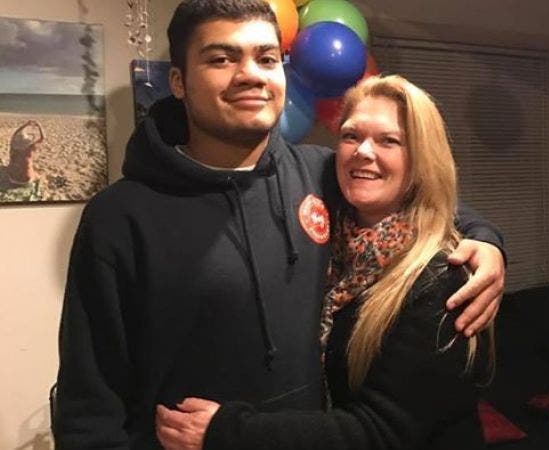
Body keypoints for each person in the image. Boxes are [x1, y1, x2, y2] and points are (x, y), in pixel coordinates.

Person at [54, 1, 504, 449]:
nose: (250, 74)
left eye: (267, 58)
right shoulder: (120, 216)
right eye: (221, 58)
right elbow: (89, 405)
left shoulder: (320, 174)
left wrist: (486, 241)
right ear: (178, 82)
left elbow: (416, 196)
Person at [156, 74, 494, 450]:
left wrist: (227, 432)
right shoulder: (334, 238)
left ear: (422, 161)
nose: (363, 151)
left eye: (389, 141)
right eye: (351, 136)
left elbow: (382, 431)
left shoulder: (440, 279)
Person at [7, 120, 44, 185]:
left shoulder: (13, 146)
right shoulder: (30, 148)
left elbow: (15, 134)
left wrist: (25, 125)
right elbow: (42, 138)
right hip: (26, 180)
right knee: (37, 174)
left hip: (12, 178)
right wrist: (39, 126)